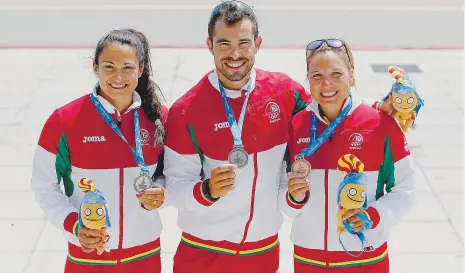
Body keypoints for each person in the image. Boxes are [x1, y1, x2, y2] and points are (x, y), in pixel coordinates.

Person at [30, 29, 168, 273]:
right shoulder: (65, 121)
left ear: (141, 68)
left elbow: (174, 174)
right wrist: (73, 225)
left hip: (145, 255)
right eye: (109, 66)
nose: (118, 76)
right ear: (95, 67)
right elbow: (43, 185)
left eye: (127, 67)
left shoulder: (158, 119)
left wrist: (161, 191)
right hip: (88, 256)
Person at [280, 39, 416, 273]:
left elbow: (406, 189)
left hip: (365, 258)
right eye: (316, 76)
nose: (326, 84)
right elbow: (285, 202)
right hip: (309, 260)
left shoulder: (380, 124)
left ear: (350, 75)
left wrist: (373, 215)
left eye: (336, 74)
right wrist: (294, 197)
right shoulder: (297, 124)